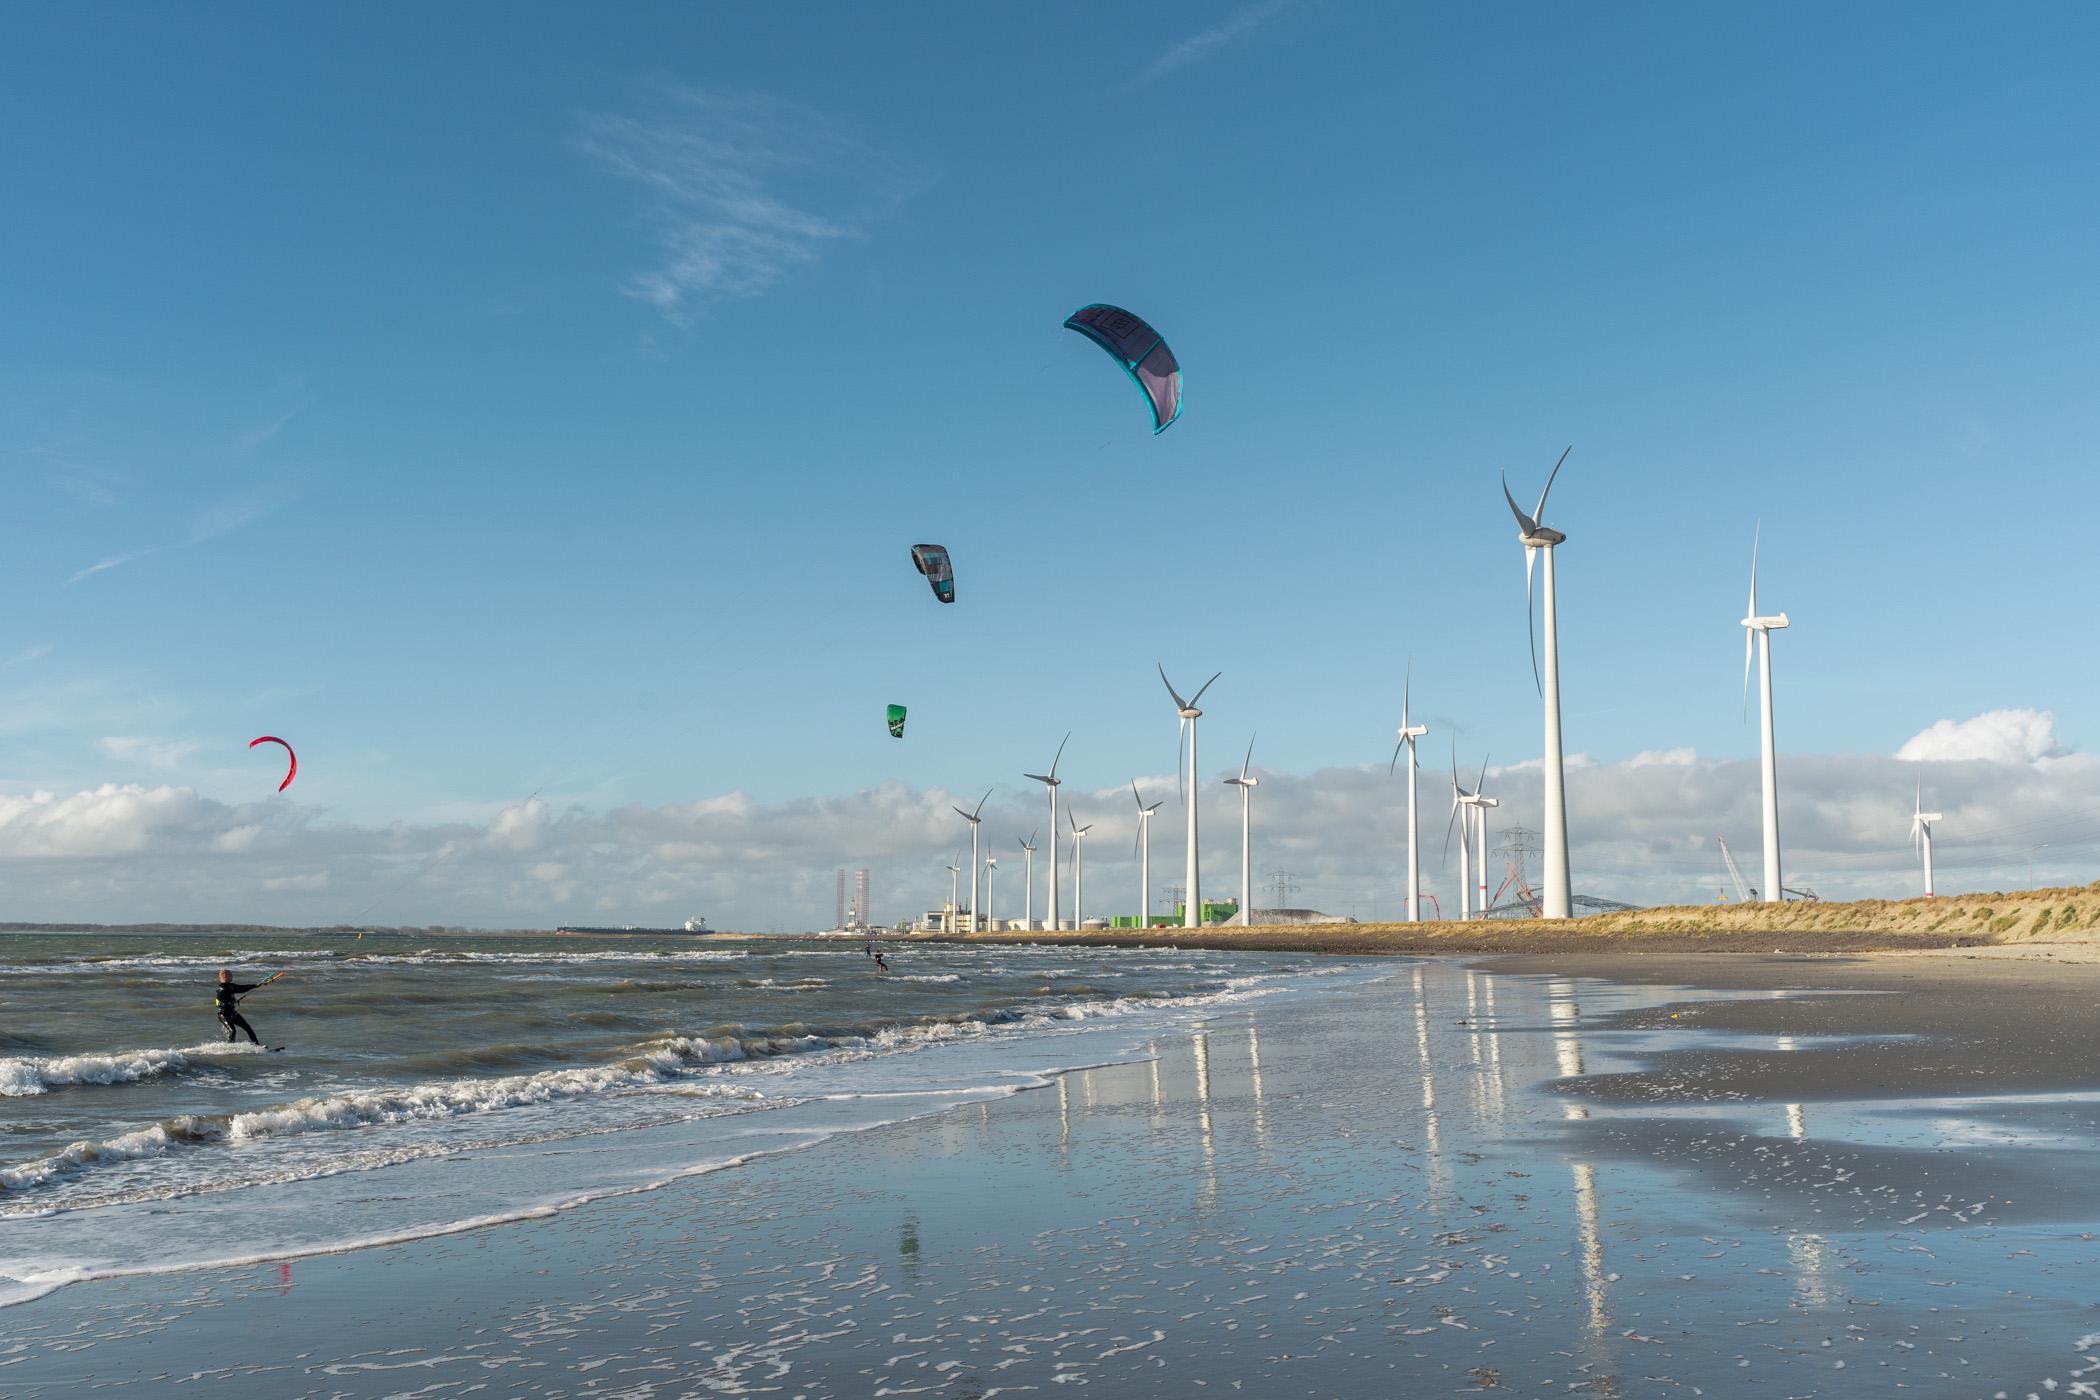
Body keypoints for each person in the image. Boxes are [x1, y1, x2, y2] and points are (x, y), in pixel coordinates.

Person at [215, 969, 267, 1045]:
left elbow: (237, 989)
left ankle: (258, 1046)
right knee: (232, 1031)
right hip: (223, 1014)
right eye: (231, 975)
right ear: (225, 976)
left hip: (232, 1013)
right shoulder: (224, 987)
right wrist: (255, 985)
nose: (232, 977)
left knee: (248, 1028)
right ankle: (229, 1047)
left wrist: (232, 1002)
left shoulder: (228, 986)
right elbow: (240, 988)